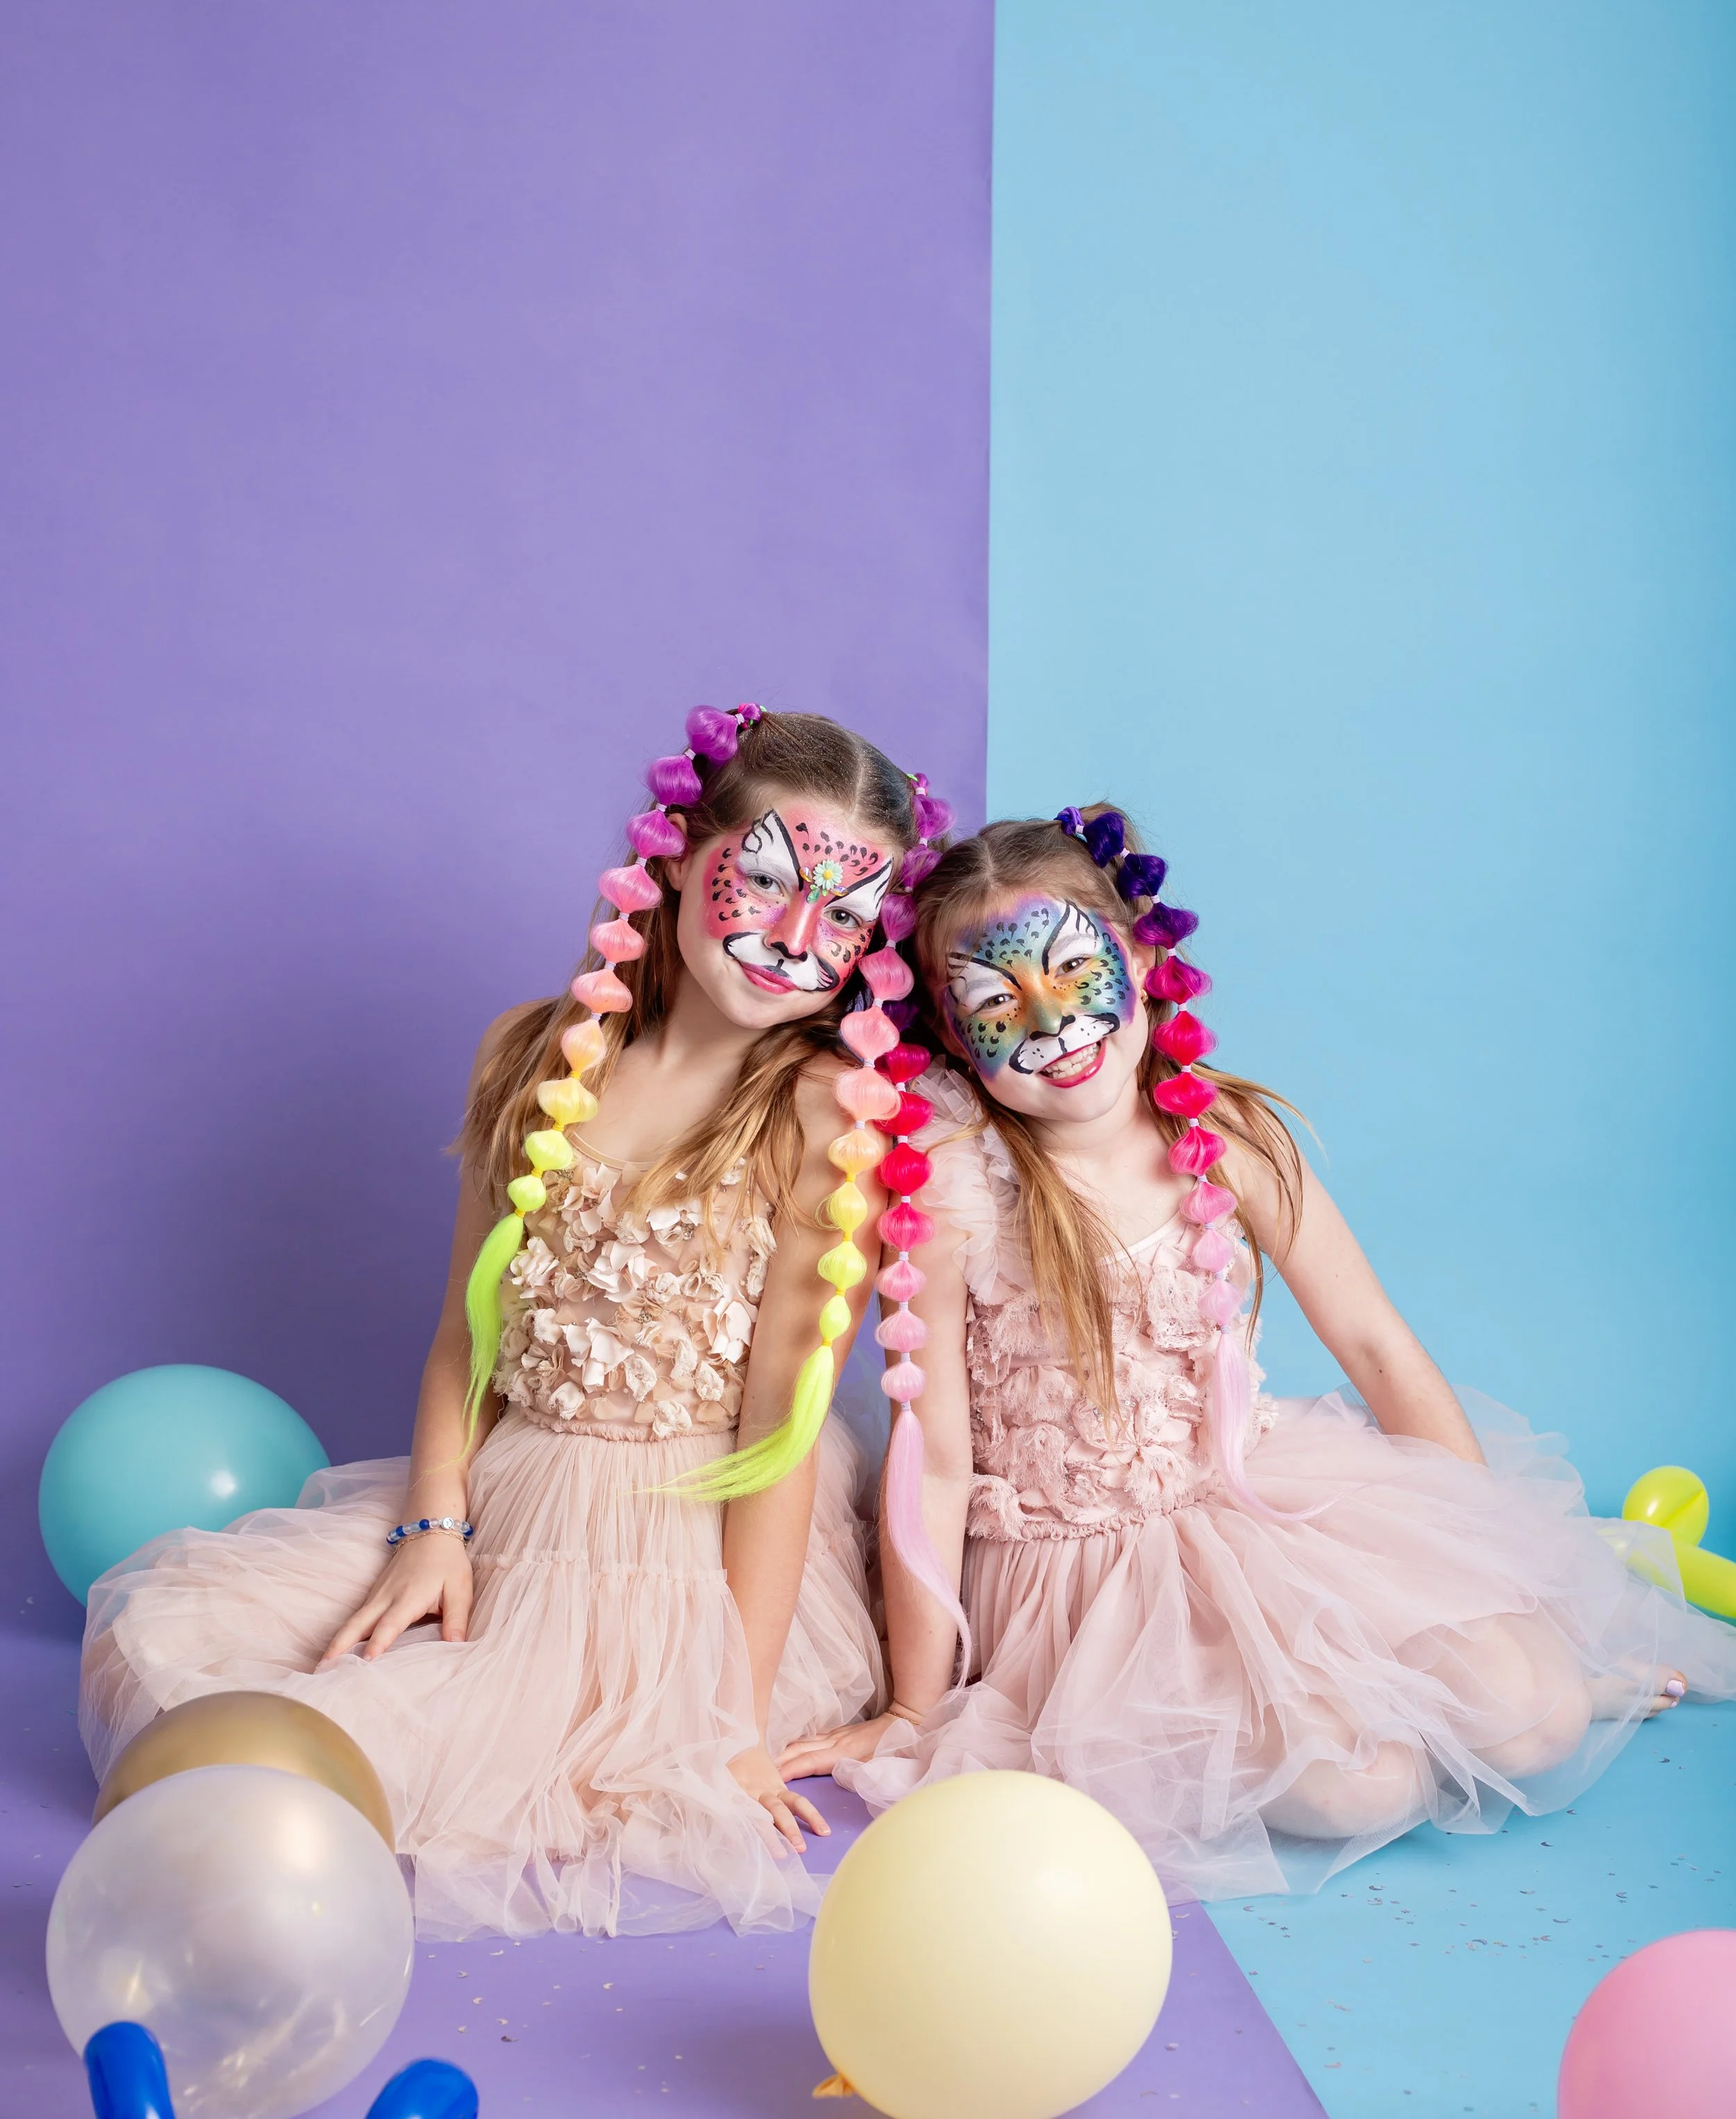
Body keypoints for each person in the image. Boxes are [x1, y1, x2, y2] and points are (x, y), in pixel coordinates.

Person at [80, 705, 951, 1939]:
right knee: (154, 1650)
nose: (795, 939)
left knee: (330, 1768)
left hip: (678, 1537)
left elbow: (781, 1431)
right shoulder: (544, 1053)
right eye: (762, 881)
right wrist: (436, 1526)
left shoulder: (824, 1117)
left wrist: (735, 1722)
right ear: (679, 856)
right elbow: (461, 1335)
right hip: (503, 1488)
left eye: (846, 918)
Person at [781, 806, 1736, 1901]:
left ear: (1140, 954)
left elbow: (1377, 1348)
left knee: (1537, 1718)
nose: (1051, 1026)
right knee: (1358, 1790)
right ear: (952, 1035)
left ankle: (1461, 1670)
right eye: (997, 1006)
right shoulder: (956, 1190)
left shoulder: (1228, 1141)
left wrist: (1502, 1573)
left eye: (1071, 971)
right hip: (1081, 1572)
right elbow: (934, 1459)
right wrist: (915, 1702)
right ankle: (1340, 1710)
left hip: (1254, 1507)